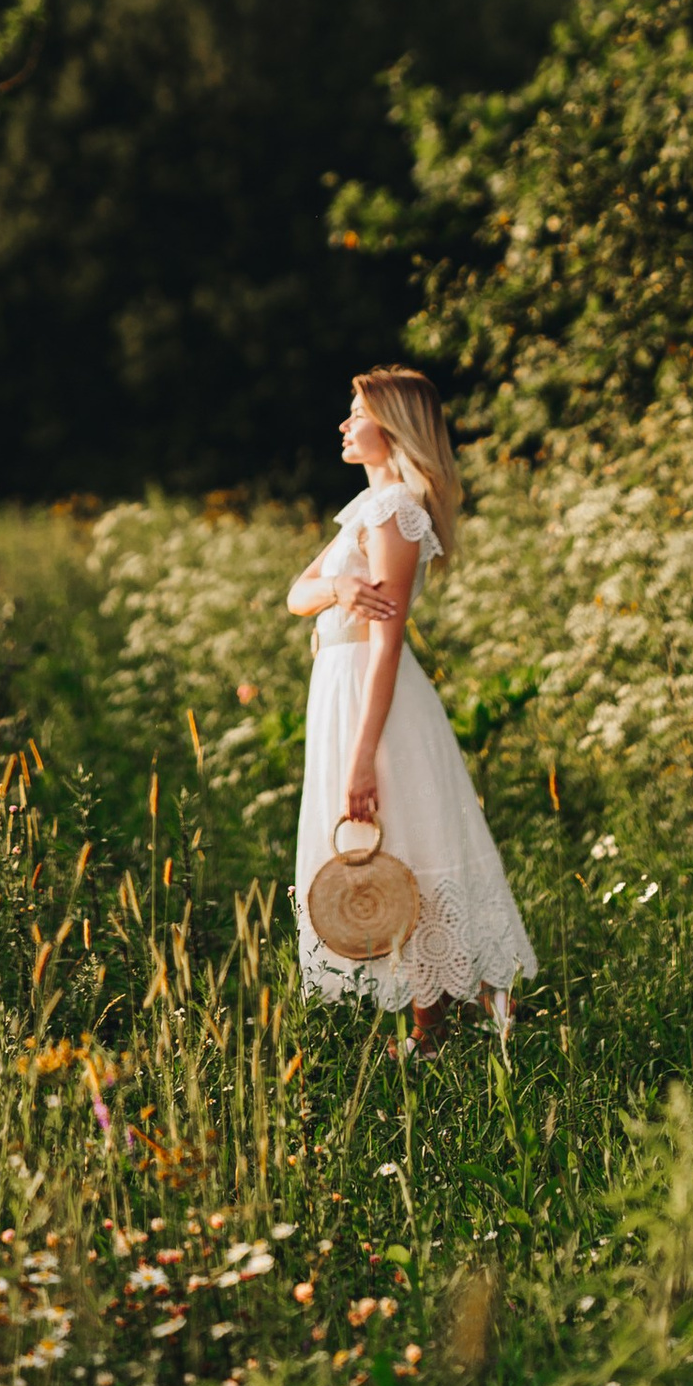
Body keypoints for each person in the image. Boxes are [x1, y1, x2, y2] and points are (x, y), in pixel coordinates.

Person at [287, 366, 537, 1050]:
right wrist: (338, 585)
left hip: (376, 695)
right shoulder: (367, 510)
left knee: (410, 840)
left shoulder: (397, 512)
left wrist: (363, 756)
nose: (344, 424)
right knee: (398, 841)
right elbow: (295, 594)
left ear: (391, 425)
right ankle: (445, 1026)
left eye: (357, 412)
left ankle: (452, 1026)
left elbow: (388, 642)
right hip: (342, 688)